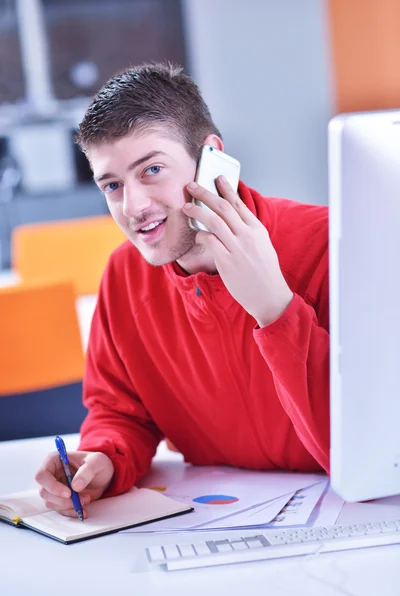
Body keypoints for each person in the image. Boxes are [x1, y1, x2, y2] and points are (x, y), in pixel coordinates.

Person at [35, 62, 329, 519]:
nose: (133, 207)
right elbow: (120, 412)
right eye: (112, 185)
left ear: (210, 156)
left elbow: (365, 447)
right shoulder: (124, 276)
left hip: (349, 529)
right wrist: (103, 459)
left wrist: (275, 309)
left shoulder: (331, 246)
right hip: (215, 526)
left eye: (152, 169)